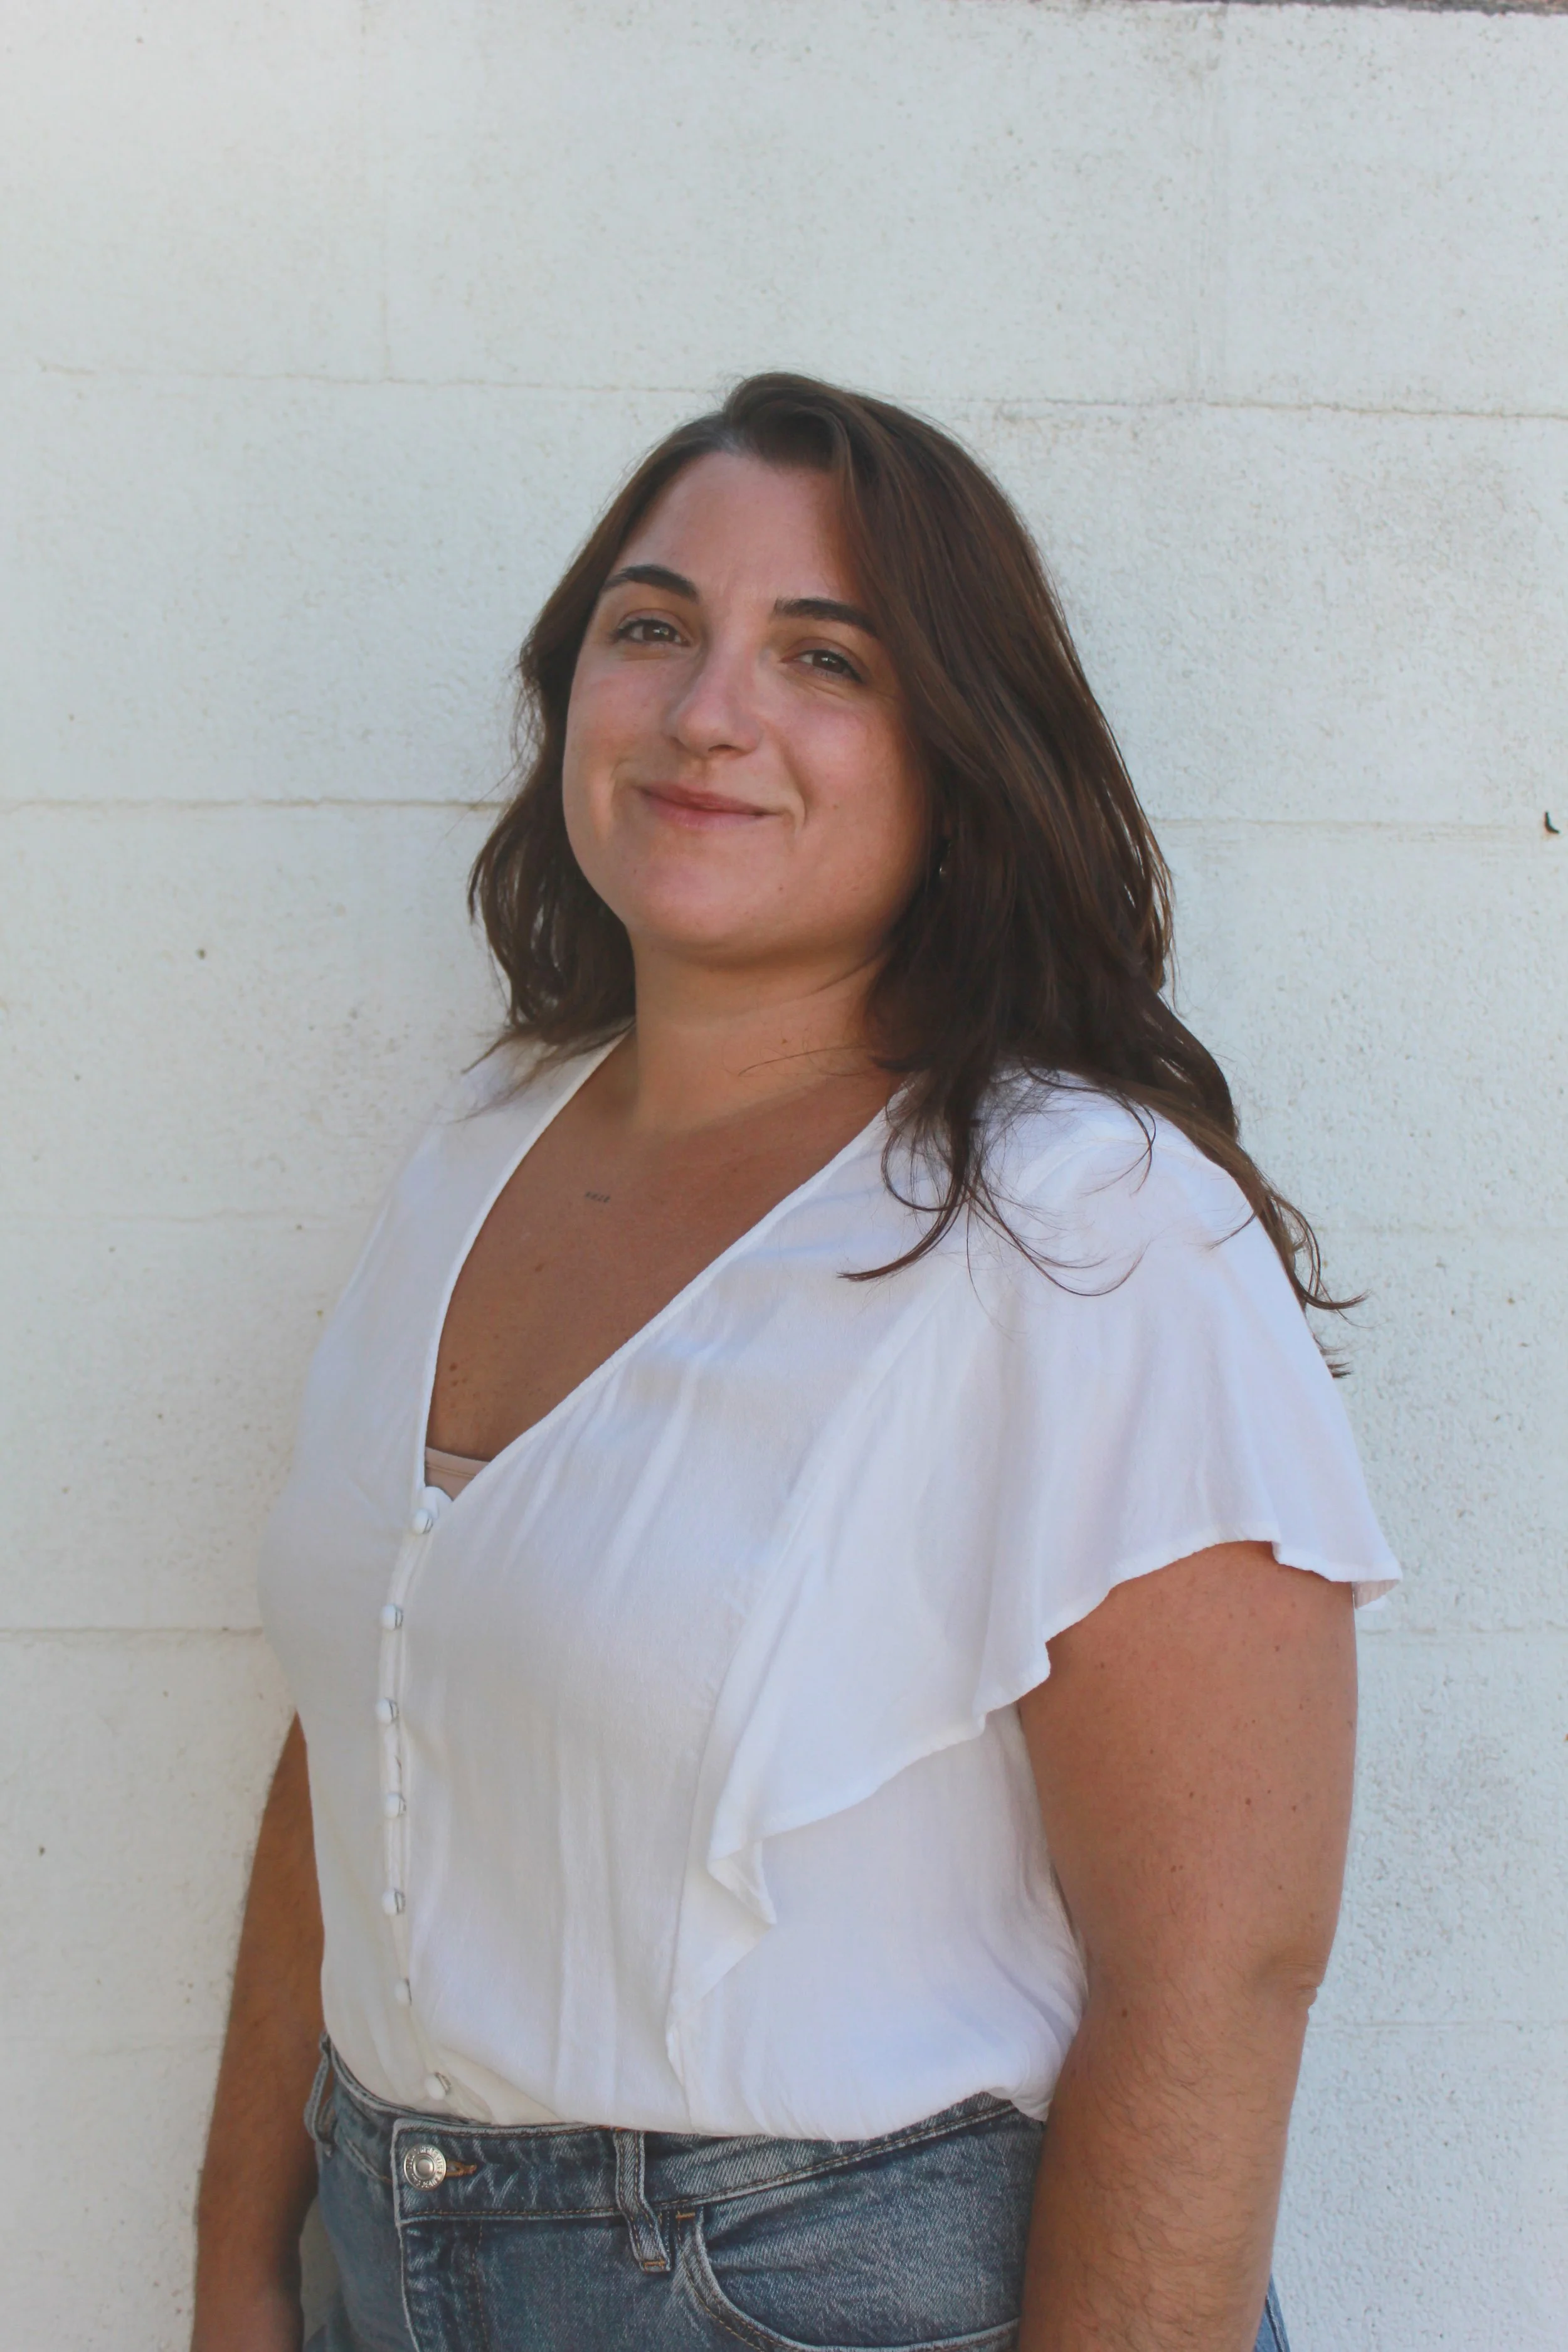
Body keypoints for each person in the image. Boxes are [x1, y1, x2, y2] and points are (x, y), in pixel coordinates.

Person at [193, 374, 1397, 2352]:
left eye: (820, 656)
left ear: (957, 756)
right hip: (380, 2255)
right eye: (651, 627)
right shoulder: (480, 1146)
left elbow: (1219, 1973)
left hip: (829, 2299)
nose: (706, 712)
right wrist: (246, 2269)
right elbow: (369, 1737)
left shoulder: (1082, 1224)